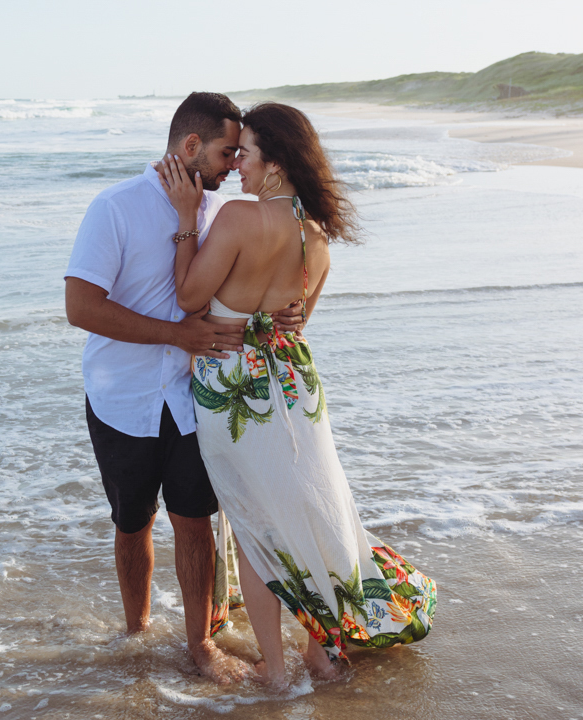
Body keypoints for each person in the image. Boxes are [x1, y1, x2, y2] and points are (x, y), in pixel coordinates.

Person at [157, 102, 436, 687]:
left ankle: (278, 673)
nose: (237, 166)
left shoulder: (237, 218)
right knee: (310, 514)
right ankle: (320, 654)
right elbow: (296, 322)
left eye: (246, 154)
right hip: (296, 388)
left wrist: (186, 220)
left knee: (256, 529)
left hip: (234, 389)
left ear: (277, 162)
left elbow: (188, 298)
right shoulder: (317, 237)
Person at [64, 92, 303, 684]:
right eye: (225, 152)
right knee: (132, 523)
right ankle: (137, 633)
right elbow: (80, 308)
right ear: (191, 145)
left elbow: (249, 287)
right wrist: (177, 334)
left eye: (240, 154)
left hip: (198, 398)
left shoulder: (223, 211)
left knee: (195, 520)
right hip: (121, 397)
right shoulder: (114, 207)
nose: (232, 164)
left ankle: (200, 645)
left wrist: (284, 314)